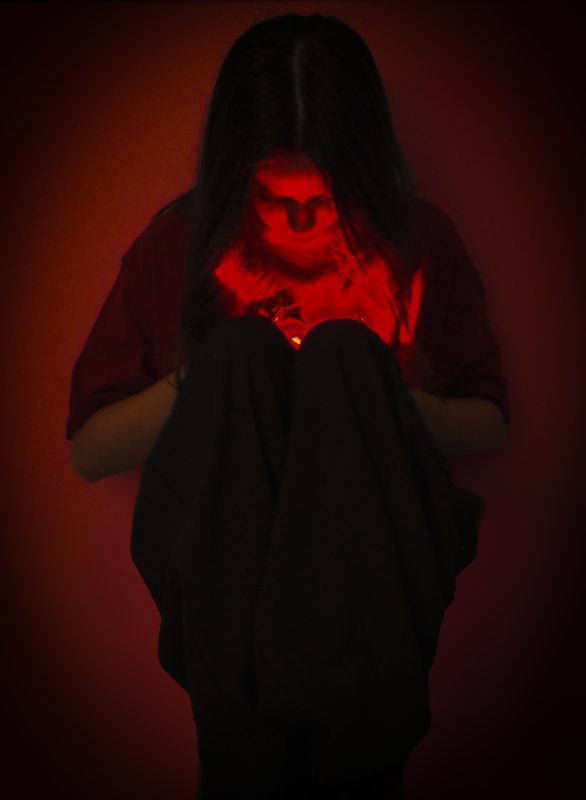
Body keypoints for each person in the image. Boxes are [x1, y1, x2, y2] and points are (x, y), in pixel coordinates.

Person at [66, 12, 510, 800]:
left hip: (371, 562)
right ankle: (255, 752)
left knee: (342, 356)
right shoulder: (177, 243)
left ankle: (343, 747)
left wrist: (379, 394)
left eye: (325, 198)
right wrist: (195, 379)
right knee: (239, 355)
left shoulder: (423, 239)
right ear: (237, 174)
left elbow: (488, 420)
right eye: (274, 197)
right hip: (222, 560)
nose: (300, 221)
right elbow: (90, 451)